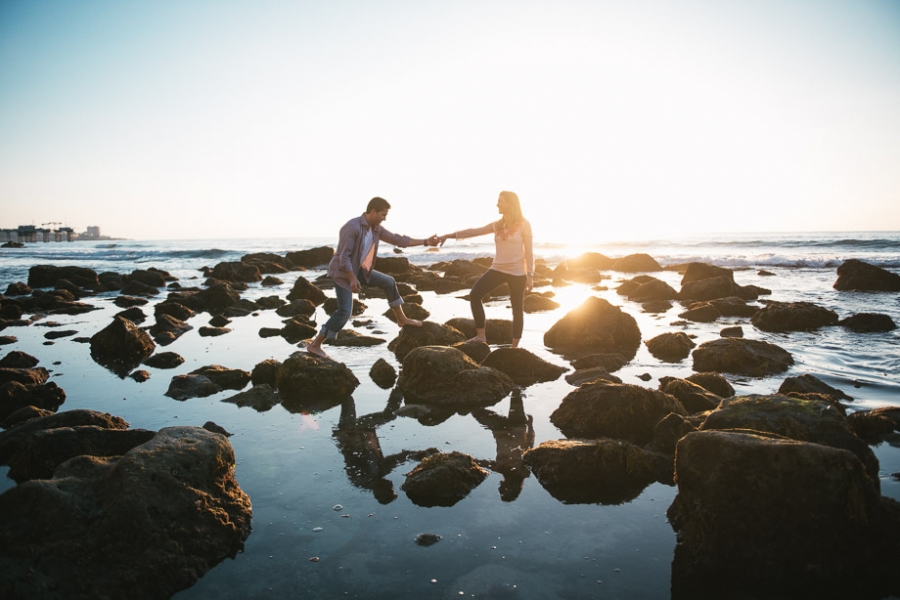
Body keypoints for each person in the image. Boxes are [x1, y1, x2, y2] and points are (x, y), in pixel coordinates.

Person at [306, 197, 440, 359]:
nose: (385, 218)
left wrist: (426, 242)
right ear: (373, 211)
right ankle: (315, 345)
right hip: (343, 273)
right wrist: (352, 278)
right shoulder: (352, 227)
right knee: (344, 312)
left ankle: (401, 319)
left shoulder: (376, 228)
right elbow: (343, 257)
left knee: (388, 281)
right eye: (383, 214)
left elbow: (398, 240)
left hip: (360, 270)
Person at [438, 191, 534, 348]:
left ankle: (514, 347)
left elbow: (529, 251)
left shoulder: (524, 224)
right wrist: (446, 236)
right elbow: (472, 232)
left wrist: (530, 274)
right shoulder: (497, 225)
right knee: (475, 295)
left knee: (517, 309)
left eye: (500, 201)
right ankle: (481, 336)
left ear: (510, 203)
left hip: (517, 273)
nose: (497, 204)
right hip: (497, 269)